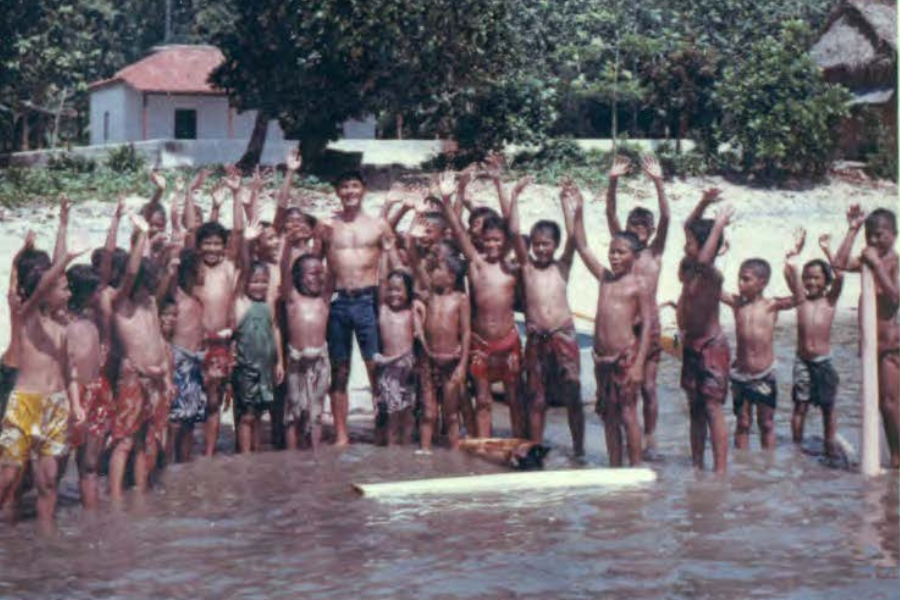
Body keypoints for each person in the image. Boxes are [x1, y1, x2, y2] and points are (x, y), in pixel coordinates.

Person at [0, 203, 85, 531]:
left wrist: (75, 404)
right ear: (46, 292)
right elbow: (40, 285)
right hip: (24, 405)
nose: (68, 290)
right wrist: (65, 259)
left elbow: (68, 371)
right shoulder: (28, 316)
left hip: (56, 406)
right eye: (62, 286)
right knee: (7, 479)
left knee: (49, 482)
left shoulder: (62, 330)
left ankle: (47, 544)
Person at [561, 181, 651, 467]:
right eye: (612, 251)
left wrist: (638, 365)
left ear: (635, 257)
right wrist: (578, 212)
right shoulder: (604, 278)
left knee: (627, 415)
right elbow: (583, 245)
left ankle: (635, 468)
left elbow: (647, 326)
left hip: (625, 360)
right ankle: (615, 466)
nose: (613, 256)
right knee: (608, 415)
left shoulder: (639, 286)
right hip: (602, 361)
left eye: (620, 252)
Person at [438, 171, 524, 438]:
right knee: (484, 399)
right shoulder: (475, 264)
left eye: (497, 240)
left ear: (505, 243)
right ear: (481, 241)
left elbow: (513, 227)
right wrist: (447, 197)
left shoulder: (511, 268)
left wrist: (503, 186)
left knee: (514, 398)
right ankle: (483, 444)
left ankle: (519, 439)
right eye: (488, 240)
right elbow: (457, 229)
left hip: (508, 342)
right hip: (481, 344)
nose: (492, 244)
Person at [507, 176, 583, 455]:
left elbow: (575, 238)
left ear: (555, 245)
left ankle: (579, 451)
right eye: (537, 244)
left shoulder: (562, 266)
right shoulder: (526, 268)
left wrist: (566, 202)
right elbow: (514, 232)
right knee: (536, 398)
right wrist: (514, 194)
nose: (540, 248)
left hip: (563, 335)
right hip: (537, 339)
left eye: (546, 244)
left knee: (573, 394)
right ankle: (536, 449)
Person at [318, 170, 393, 446]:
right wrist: (322, 305)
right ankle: (341, 434)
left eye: (354, 186)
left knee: (376, 367)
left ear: (363, 190)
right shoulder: (327, 226)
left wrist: (386, 304)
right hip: (338, 301)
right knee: (339, 369)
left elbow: (391, 264)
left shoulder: (379, 226)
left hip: (367, 299)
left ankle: (382, 430)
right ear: (338, 192)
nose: (349, 191)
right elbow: (316, 267)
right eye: (344, 187)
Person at [605, 155, 670, 458]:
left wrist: (658, 182)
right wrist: (613, 181)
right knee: (626, 389)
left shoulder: (654, 253)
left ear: (653, 229)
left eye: (645, 225)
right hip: (624, 329)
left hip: (650, 326)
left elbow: (668, 218)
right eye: (635, 224)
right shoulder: (625, 251)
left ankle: (651, 437)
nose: (640, 228)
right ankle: (623, 432)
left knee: (649, 387)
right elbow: (610, 213)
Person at [109, 215, 171, 501]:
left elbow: (159, 338)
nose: (149, 287)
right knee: (124, 439)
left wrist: (167, 376)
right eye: (145, 283)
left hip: (157, 377)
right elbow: (133, 272)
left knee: (149, 437)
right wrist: (142, 236)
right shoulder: (122, 303)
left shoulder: (151, 302)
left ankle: (141, 492)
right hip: (134, 375)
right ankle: (116, 496)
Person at [834, 205, 899, 468]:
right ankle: (891, 452)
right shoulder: (865, 261)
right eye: (869, 235)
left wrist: (877, 266)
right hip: (870, 345)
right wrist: (852, 230)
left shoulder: (894, 263)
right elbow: (838, 263)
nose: (872, 240)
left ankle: (897, 456)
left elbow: (895, 297)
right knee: (880, 405)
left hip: (891, 345)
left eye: (879, 235)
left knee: (891, 402)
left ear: (894, 235)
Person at [677, 189, 733, 473]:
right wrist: (703, 204)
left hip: (712, 348)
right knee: (695, 410)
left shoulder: (711, 274)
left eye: (690, 243)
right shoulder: (687, 269)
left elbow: (704, 258)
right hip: (691, 346)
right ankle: (698, 465)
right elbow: (688, 226)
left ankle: (720, 471)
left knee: (712, 408)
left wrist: (719, 224)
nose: (685, 245)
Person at [192, 167, 244, 456]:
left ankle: (210, 452)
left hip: (222, 343)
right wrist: (203, 200)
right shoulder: (194, 269)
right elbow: (191, 230)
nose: (212, 248)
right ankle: (184, 452)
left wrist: (237, 195)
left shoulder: (228, 268)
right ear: (199, 247)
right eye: (207, 243)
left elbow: (237, 232)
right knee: (188, 402)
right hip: (195, 344)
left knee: (215, 400)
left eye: (217, 244)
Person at [721, 258, 796, 450]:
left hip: (765, 374)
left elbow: (800, 298)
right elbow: (714, 288)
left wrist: (791, 271)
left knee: (766, 423)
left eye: (746, 279)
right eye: (739, 279)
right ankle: (742, 469)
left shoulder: (771, 306)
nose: (740, 283)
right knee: (743, 423)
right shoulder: (737, 304)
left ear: (762, 283)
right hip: (740, 375)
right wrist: (716, 254)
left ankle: (767, 469)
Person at [784, 229, 843, 458]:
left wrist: (827, 249)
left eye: (817, 277)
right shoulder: (800, 299)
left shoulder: (830, 300)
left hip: (824, 362)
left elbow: (841, 276)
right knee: (800, 405)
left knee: (828, 407)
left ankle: (829, 444)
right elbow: (789, 271)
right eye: (807, 277)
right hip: (802, 362)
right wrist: (794, 252)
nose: (811, 281)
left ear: (826, 281)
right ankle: (797, 448)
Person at [232, 223, 284, 453]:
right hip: (246, 367)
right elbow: (243, 269)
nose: (259, 285)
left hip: (266, 366)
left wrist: (280, 361)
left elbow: (275, 330)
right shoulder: (241, 302)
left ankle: (257, 455)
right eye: (255, 282)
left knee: (260, 413)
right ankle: (245, 456)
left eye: (263, 281)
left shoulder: (267, 304)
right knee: (247, 415)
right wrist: (247, 241)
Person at [66, 264, 112, 510]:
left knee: (90, 466)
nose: (100, 296)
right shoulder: (63, 322)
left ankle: (91, 520)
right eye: (95, 291)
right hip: (72, 395)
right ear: (84, 293)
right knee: (57, 466)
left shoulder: (94, 318)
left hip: (97, 392)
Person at [414, 246, 471, 451]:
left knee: (451, 413)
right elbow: (417, 263)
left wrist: (463, 365)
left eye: (438, 270)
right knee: (428, 412)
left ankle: (454, 454)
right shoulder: (430, 296)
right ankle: (425, 451)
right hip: (429, 360)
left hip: (452, 362)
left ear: (452, 277)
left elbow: (465, 333)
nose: (433, 273)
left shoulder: (461, 299)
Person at [281, 247, 331, 451]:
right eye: (312, 274)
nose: (318, 278)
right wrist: (287, 244)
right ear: (299, 278)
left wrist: (326, 237)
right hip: (296, 362)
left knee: (316, 411)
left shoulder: (324, 300)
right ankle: (292, 455)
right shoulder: (292, 299)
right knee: (293, 410)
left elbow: (333, 271)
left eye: (321, 274)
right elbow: (284, 269)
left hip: (320, 362)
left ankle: (315, 454)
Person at [373, 239, 417, 445]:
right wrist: (385, 252)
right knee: (391, 415)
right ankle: (391, 452)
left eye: (399, 290)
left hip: (408, 369)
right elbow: (382, 280)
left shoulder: (412, 311)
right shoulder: (383, 310)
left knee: (408, 414)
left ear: (409, 291)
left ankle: (405, 452)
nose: (394, 294)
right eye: (391, 290)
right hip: (388, 371)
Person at [165, 248, 207, 463]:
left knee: (191, 419)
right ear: (191, 271)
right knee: (175, 421)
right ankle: (168, 464)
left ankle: (184, 465)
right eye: (201, 268)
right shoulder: (177, 296)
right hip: (179, 361)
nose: (205, 273)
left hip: (195, 362)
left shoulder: (197, 299)